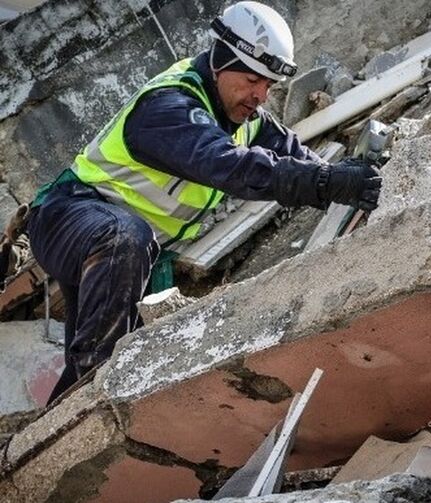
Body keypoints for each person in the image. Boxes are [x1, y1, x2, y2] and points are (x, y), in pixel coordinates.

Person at [26, 1, 381, 403]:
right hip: (69, 218)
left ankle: (53, 425)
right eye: (251, 80)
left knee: (117, 348)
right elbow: (229, 166)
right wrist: (325, 182)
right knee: (106, 349)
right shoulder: (169, 108)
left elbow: (293, 153)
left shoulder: (243, 116)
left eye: (268, 85)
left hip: (128, 250)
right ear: (219, 61)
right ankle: (96, 399)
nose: (260, 96)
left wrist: (347, 179)